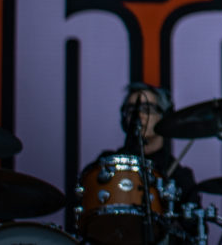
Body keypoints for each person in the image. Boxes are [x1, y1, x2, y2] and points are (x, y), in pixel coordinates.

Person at [71, 83, 200, 244]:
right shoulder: (107, 164)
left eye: (147, 109)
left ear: (164, 116)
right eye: (132, 110)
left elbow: (195, 232)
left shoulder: (179, 175)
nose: (139, 115)